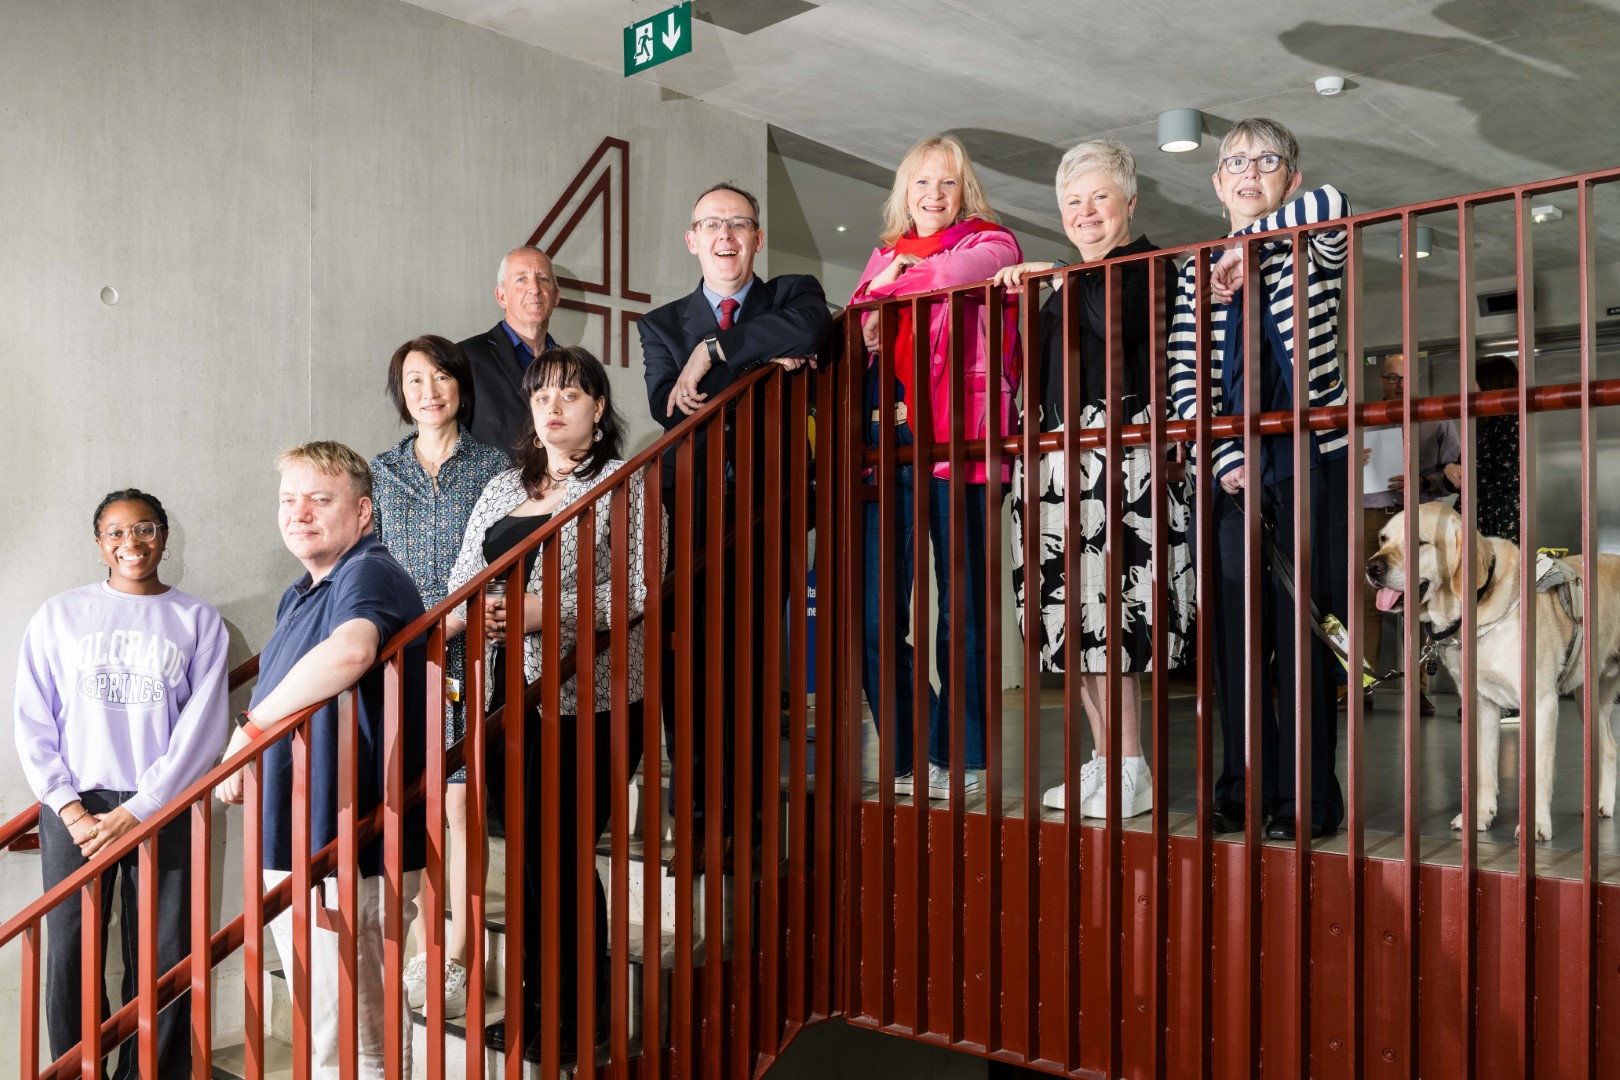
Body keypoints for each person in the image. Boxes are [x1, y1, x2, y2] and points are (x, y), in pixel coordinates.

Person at [445, 345, 653, 1061]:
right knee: (529, 859)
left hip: (588, 702)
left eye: (571, 392)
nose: (554, 405)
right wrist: (482, 613)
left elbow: (636, 592)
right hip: (506, 700)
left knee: (563, 857)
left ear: (599, 407)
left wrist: (538, 611)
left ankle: (584, 1013)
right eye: (541, 396)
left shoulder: (626, 483)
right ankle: (535, 1002)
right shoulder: (504, 488)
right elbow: (462, 577)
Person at [993, 139, 1194, 817]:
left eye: (1100, 198)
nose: (1086, 213)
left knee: (1112, 622)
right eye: (1073, 202)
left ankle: (1130, 764)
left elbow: (1118, 320)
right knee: (1067, 623)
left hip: (1118, 462)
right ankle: (1105, 759)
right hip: (1052, 462)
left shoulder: (1146, 268)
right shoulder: (1058, 285)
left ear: (1129, 204)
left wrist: (1057, 279)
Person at [214, 442, 427, 1080]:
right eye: (289, 499)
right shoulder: (299, 593)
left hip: (348, 839)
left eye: (320, 499)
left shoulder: (368, 571)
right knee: (325, 1028)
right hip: (297, 833)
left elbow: (351, 654)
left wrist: (248, 732)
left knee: (356, 1040)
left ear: (363, 512)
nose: (299, 513)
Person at [1167, 118, 1351, 841]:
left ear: (1289, 180)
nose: (1249, 172)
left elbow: (1334, 202)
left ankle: (1305, 798)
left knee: (1301, 638)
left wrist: (1255, 246)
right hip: (1232, 472)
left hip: (1310, 462)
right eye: (1234, 162)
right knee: (1239, 645)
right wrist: (1222, 459)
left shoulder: (1311, 243)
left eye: (1267, 160)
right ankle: (1243, 788)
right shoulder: (1194, 271)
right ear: (1216, 183)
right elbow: (1187, 380)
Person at [638, 182, 829, 857]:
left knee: (748, 664)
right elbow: (671, 404)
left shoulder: (792, 292)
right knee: (689, 668)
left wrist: (719, 350)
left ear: (756, 238)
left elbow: (812, 330)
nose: (726, 236)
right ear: (692, 239)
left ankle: (746, 814)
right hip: (686, 519)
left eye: (739, 224)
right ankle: (696, 811)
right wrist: (758, 356)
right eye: (711, 225)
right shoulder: (661, 323)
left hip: (767, 510)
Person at [15, 489, 231, 1080]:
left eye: (144, 529)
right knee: (71, 954)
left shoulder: (196, 619)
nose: (130, 543)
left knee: (164, 953)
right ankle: (77, 1071)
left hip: (161, 804)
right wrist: (70, 810)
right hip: (75, 806)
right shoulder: (58, 615)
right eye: (115, 532)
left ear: (163, 535)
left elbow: (204, 725)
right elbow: (33, 720)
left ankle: (152, 1073)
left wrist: (146, 806)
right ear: (99, 543)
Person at [849, 134, 1022, 801]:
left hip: (964, 444)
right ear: (904, 191)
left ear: (964, 192)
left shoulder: (993, 242)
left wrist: (883, 293)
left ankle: (967, 755)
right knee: (871, 613)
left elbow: (950, 279)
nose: (933, 195)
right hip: (885, 446)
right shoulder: (885, 253)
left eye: (947, 183)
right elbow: (855, 324)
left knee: (965, 613)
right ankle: (912, 745)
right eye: (921, 183)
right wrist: (874, 297)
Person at [370, 335, 508, 1020]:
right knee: (418, 812)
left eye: (442, 376)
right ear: (402, 393)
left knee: (461, 808)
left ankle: (464, 952)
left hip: (469, 654)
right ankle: (426, 950)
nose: (430, 391)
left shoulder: (496, 468)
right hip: (399, 662)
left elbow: (507, 560)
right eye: (415, 379)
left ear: (460, 385)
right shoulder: (380, 471)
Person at [1354, 350, 1460, 715]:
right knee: (1366, 604)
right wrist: (1351, 460)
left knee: (1418, 602)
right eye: (1389, 377)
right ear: (1381, 380)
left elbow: (1454, 471)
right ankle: (1361, 687)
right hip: (1369, 515)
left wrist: (1422, 480)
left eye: (1402, 377)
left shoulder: (1436, 414)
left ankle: (1417, 690)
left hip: (1415, 518)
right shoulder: (1362, 416)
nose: (1396, 384)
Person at [459, 246, 562, 456]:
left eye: (543, 279)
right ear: (501, 296)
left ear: (556, 296)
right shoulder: (466, 357)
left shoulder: (575, 367)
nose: (534, 288)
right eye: (521, 279)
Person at [1446, 354, 1520, 540]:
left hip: (1498, 516)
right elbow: (1459, 476)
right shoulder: (1479, 423)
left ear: (1490, 384)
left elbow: (1508, 477)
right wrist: (1450, 471)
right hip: (1473, 512)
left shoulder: (1512, 421)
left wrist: (1464, 474)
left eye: (1474, 382)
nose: (1468, 389)